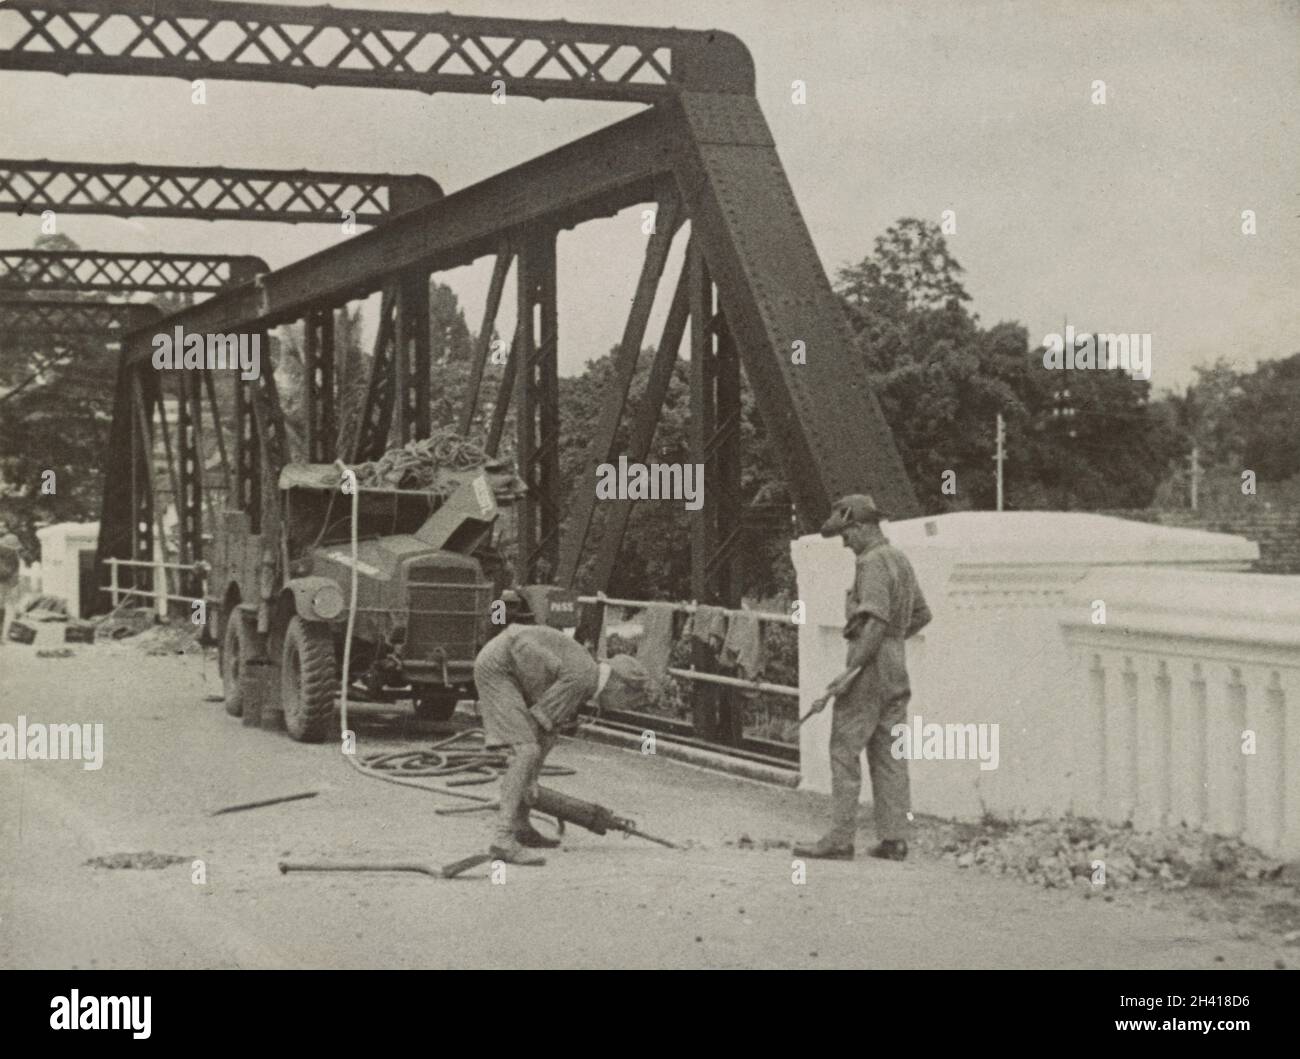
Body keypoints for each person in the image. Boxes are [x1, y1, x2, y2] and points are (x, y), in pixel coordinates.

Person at [794, 495, 931, 862]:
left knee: (844, 749)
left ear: (860, 526)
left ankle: (839, 839)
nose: (844, 542)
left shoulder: (870, 562)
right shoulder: (899, 559)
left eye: (846, 534)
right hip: (895, 663)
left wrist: (853, 669)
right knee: (889, 752)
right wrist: (892, 645)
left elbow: (875, 620)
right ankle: (894, 838)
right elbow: (922, 614)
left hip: (869, 663)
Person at [474, 624, 649, 865]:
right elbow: (540, 722)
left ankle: (520, 826)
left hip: (509, 664)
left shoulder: (585, 677)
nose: (623, 708)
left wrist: (532, 778)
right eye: (628, 702)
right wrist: (531, 777)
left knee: (532, 749)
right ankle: (502, 839)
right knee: (526, 750)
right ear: (619, 685)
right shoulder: (583, 678)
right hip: (499, 668)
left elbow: (549, 730)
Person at [0, 531, 21, 642]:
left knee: (2, 607)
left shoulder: (13, 556)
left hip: (5, 584)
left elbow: (14, 571)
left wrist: (13, 584)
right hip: (3, 583)